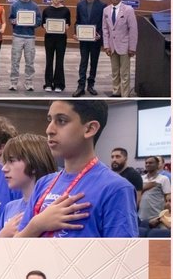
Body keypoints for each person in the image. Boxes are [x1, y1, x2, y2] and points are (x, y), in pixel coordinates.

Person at [18, 101, 138, 237]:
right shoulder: (43, 183)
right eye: (50, 120)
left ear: (89, 129)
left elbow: (122, 255)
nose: (49, 130)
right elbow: (16, 248)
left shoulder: (116, 188)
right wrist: (37, 225)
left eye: (61, 121)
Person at [0, 134, 58, 237]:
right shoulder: (9, 207)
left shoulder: (51, 206)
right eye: (5, 162)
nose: (4, 168)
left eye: (11, 161)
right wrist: (2, 236)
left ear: (34, 164)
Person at [102, 0, 138, 97]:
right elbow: (105, 29)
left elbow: (133, 29)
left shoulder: (128, 10)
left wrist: (132, 47)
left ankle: (125, 94)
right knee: (114, 71)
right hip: (112, 47)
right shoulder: (106, 10)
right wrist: (106, 45)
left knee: (125, 73)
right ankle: (116, 91)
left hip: (125, 46)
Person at [73, 0, 105, 97]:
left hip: (95, 39)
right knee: (83, 62)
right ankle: (80, 86)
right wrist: (76, 33)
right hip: (84, 39)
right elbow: (78, 21)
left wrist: (100, 34)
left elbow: (103, 23)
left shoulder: (102, 5)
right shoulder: (80, 4)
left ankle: (90, 85)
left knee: (94, 62)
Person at [9, 0, 41, 92]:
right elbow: (11, 19)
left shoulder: (35, 6)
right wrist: (15, 21)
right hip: (17, 36)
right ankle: (13, 82)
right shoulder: (14, 5)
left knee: (30, 61)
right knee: (15, 60)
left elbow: (39, 21)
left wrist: (33, 23)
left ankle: (29, 82)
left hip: (30, 37)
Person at [41, 0, 70, 92]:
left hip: (61, 39)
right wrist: (46, 26)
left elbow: (68, 25)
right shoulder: (46, 10)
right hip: (49, 38)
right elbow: (43, 24)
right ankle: (48, 83)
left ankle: (59, 84)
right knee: (49, 61)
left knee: (59, 61)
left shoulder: (66, 10)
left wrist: (64, 27)